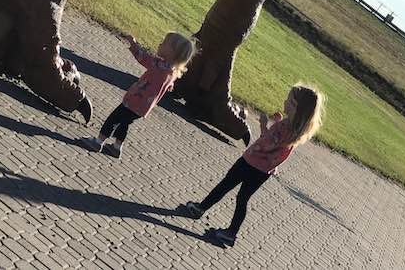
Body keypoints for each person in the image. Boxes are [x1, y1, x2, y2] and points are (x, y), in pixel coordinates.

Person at [184, 84, 324, 246]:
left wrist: (264, 124)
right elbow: (279, 142)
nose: (285, 101)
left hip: (251, 162)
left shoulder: (284, 126)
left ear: (295, 106)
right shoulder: (296, 129)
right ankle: (231, 233)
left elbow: (268, 142)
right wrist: (276, 122)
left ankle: (200, 208)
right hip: (264, 171)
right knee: (242, 198)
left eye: (288, 99)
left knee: (225, 185)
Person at [81, 32, 196, 158]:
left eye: (164, 44)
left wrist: (133, 43)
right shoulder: (172, 72)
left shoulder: (158, 65)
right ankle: (117, 147)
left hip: (135, 100)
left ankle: (98, 142)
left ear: (172, 52)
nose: (160, 44)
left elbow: (143, 57)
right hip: (143, 107)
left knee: (114, 119)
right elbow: (168, 85)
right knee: (124, 123)